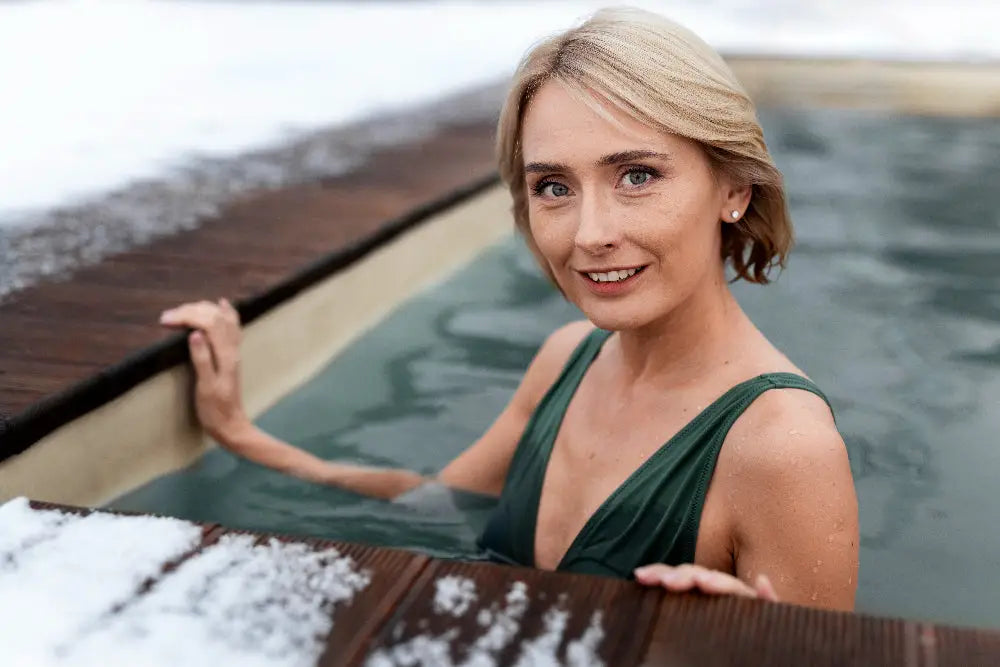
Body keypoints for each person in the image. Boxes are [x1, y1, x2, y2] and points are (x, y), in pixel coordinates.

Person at [159, 7, 858, 610]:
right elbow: (437, 502)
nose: (589, 233)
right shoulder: (566, 359)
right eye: (554, 186)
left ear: (733, 187)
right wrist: (243, 435)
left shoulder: (782, 447)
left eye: (637, 175)